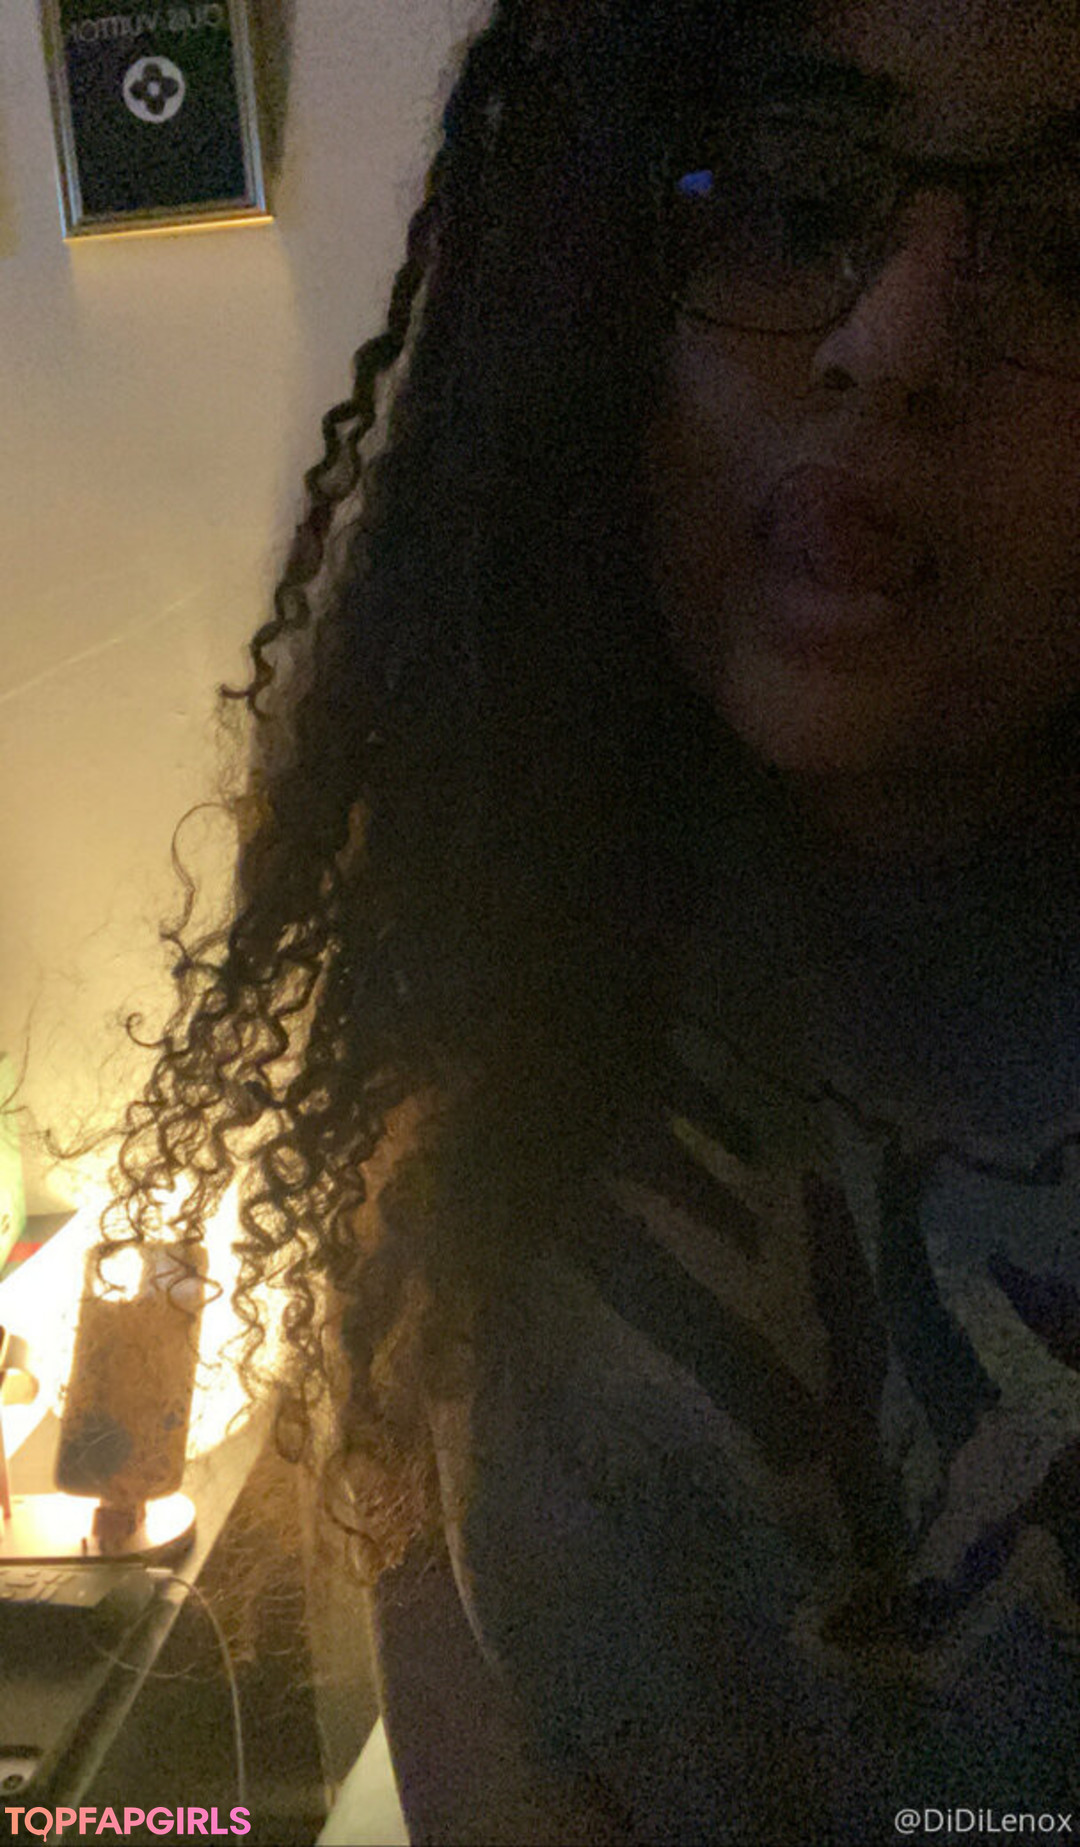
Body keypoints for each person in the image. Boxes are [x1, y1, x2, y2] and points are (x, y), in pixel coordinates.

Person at [111, 0, 1080, 1839]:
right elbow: (473, 1683)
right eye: (795, 207)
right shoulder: (495, 914)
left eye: (1071, 253)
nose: (891, 344)